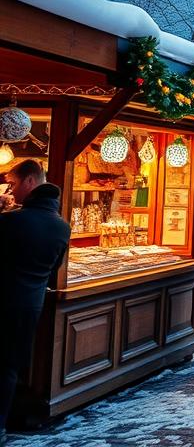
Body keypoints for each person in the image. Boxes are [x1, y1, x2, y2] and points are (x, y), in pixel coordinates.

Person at [0, 162, 70, 441]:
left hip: (4, 300)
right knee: (10, 367)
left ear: (30, 182)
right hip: (32, 304)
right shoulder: (61, 226)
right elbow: (54, 271)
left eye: (13, 184)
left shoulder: (13, 221)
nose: (10, 190)